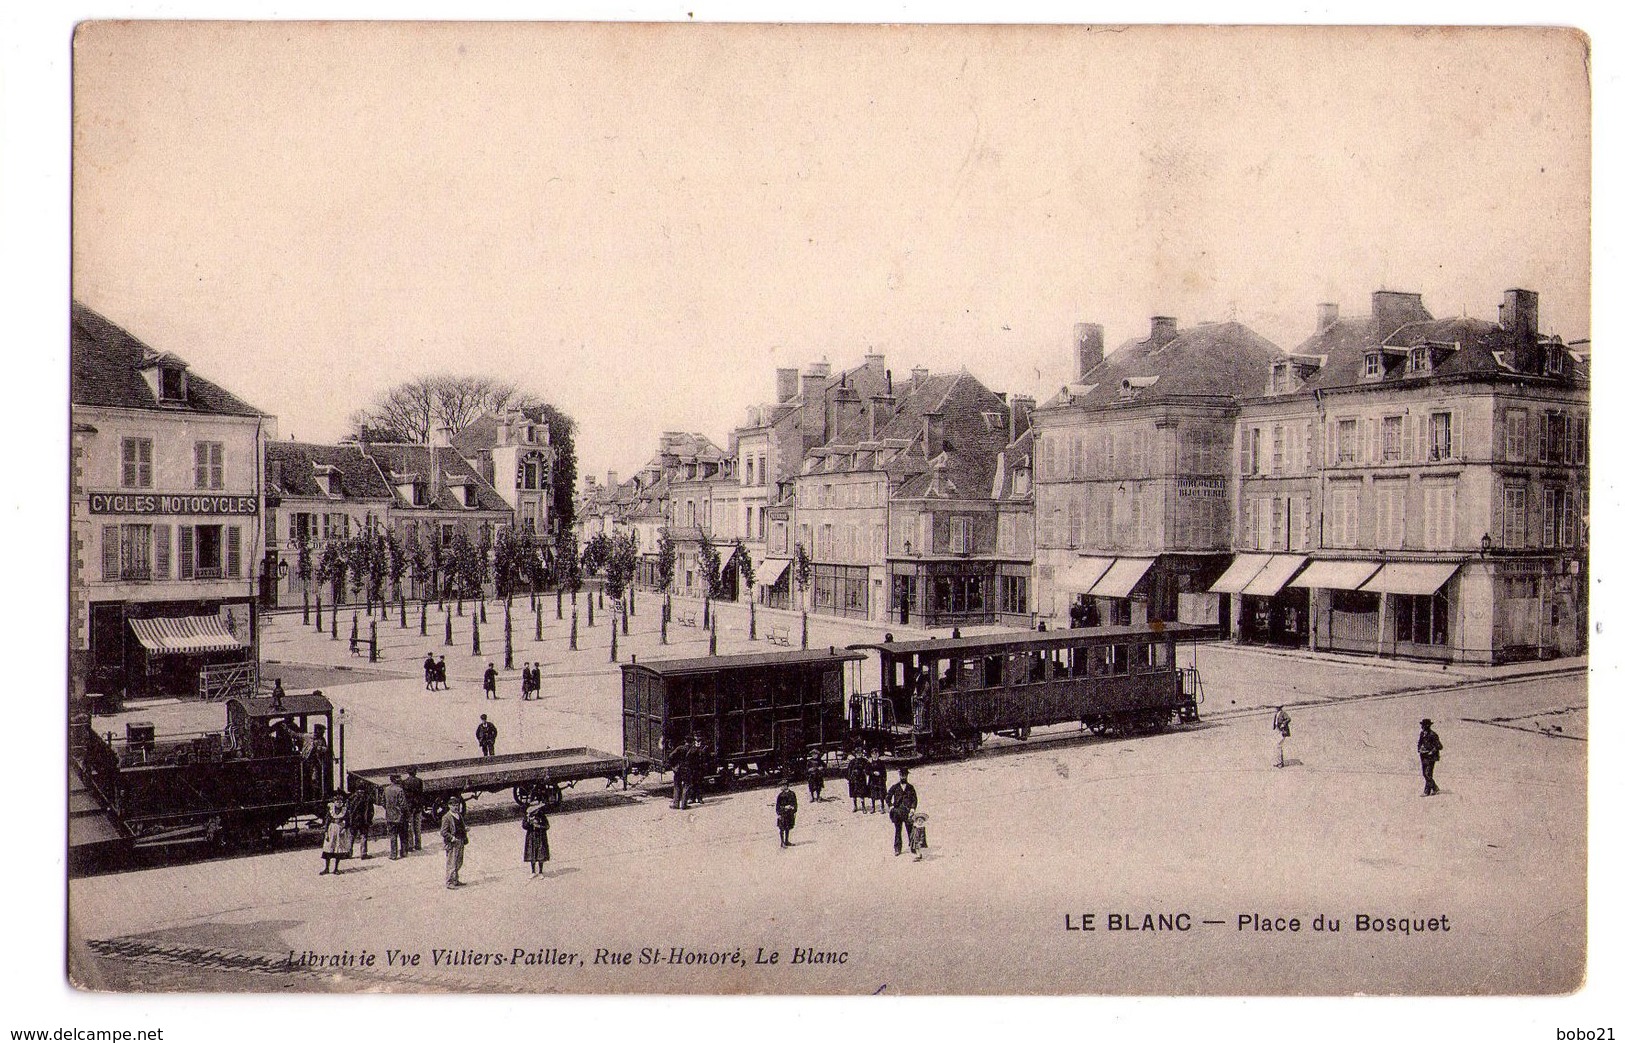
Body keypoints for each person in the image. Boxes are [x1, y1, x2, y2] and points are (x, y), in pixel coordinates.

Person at [886, 766, 920, 857]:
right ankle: (897, 849)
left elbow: (915, 799)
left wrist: (912, 809)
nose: (903, 777)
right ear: (899, 775)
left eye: (905, 775)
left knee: (910, 830)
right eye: (901, 775)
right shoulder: (895, 787)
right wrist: (891, 806)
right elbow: (887, 797)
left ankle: (913, 848)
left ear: (907, 776)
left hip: (908, 812)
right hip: (897, 812)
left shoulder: (910, 787)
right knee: (898, 830)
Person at [320, 791, 353, 875]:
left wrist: (344, 828)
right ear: (334, 802)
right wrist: (326, 833)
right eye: (337, 801)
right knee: (328, 848)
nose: (339, 803)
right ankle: (326, 868)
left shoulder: (345, 810)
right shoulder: (331, 810)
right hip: (332, 829)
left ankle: (336, 869)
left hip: (340, 830)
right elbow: (327, 821)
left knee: (338, 849)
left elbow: (348, 821)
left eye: (340, 802)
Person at [441, 796, 469, 888]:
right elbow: (443, 832)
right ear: (449, 806)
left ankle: (455, 880)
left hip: (461, 840)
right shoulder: (446, 817)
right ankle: (449, 882)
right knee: (451, 863)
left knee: (458, 862)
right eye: (454, 805)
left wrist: (465, 829)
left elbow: (461, 825)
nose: (456, 807)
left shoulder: (459, 815)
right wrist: (452, 838)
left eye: (457, 805)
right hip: (453, 843)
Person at [383, 774, 410, 859]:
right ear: (396, 780)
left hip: (390, 816)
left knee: (393, 835)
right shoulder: (400, 790)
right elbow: (403, 805)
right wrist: (406, 815)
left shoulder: (386, 790)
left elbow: (383, 802)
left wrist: (389, 809)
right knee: (403, 835)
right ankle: (404, 852)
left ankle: (393, 854)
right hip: (400, 816)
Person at [345, 783, 375, 860]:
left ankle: (349, 853)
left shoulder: (351, 798)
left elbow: (347, 810)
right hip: (363, 820)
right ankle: (363, 853)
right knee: (363, 836)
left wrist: (348, 820)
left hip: (353, 820)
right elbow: (371, 811)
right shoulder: (367, 798)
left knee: (351, 836)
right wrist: (369, 819)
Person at [522, 799, 550, 876]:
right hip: (531, 837)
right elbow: (524, 826)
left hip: (540, 837)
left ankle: (541, 872)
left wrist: (539, 826)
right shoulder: (528, 816)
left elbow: (547, 826)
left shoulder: (542, 815)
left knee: (541, 854)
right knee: (532, 854)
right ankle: (533, 871)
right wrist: (529, 823)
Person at [401, 766, 425, 851]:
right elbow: (421, 794)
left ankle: (410, 846)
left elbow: (405, 796)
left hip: (409, 808)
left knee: (409, 827)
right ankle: (418, 845)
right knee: (418, 827)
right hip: (418, 807)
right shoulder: (419, 781)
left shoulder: (404, 782)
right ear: (415, 772)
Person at [1418, 719, 1443, 796]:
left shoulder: (1433, 734)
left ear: (1427, 726)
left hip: (1431, 757)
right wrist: (1419, 749)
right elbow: (1419, 742)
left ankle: (1434, 788)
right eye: (1422, 725)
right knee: (1425, 774)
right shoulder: (1422, 734)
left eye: (1424, 725)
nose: (1422, 727)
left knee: (1427, 774)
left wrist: (1431, 751)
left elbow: (1439, 746)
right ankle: (1428, 791)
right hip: (1423, 756)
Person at [774, 780, 798, 847]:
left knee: (788, 827)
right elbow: (778, 805)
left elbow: (795, 803)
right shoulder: (780, 795)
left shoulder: (792, 793)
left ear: (787, 786)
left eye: (784, 785)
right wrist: (778, 813)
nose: (782, 787)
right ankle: (782, 842)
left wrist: (794, 809)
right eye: (782, 786)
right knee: (782, 828)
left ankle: (786, 841)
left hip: (789, 813)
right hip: (782, 813)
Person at [847, 749, 869, 813]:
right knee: (854, 793)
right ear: (855, 754)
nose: (859, 755)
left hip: (861, 779)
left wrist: (865, 771)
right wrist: (849, 778)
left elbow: (868, 768)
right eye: (857, 753)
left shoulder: (864, 761)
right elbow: (849, 770)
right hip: (853, 779)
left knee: (862, 793)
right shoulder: (852, 762)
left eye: (860, 753)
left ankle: (863, 807)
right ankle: (855, 806)